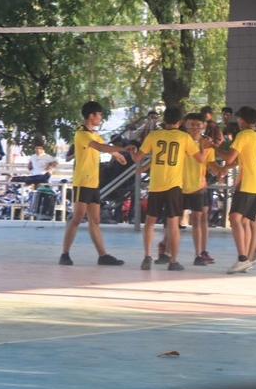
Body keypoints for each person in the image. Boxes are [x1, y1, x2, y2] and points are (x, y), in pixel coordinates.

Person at [131, 106, 206, 271]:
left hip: (156, 185)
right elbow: (200, 159)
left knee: (150, 222)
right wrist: (202, 146)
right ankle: (173, 261)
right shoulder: (184, 138)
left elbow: (137, 158)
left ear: (164, 120)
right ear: (180, 122)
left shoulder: (154, 135)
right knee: (173, 224)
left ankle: (147, 257)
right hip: (174, 187)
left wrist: (132, 150)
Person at [59, 101, 129, 267]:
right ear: (91, 116)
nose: (101, 118)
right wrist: (124, 150)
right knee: (77, 218)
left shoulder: (93, 133)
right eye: (99, 115)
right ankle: (64, 254)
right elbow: (99, 147)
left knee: (95, 220)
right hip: (82, 181)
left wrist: (118, 155)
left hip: (93, 182)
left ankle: (103, 255)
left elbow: (105, 145)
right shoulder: (82, 133)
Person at [216, 106, 256, 274]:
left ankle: (243, 258)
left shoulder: (243, 135)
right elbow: (243, 159)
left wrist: (212, 146)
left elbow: (229, 156)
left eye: (238, 119)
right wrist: (227, 168)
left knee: (235, 218)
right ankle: (248, 257)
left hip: (247, 183)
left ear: (242, 120)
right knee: (248, 220)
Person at [182, 113, 226, 266]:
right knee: (173, 219)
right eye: (191, 124)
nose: (195, 127)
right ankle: (166, 247)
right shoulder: (181, 140)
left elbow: (210, 162)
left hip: (199, 185)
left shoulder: (207, 143)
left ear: (203, 126)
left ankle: (201, 252)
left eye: (198, 125)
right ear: (186, 125)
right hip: (179, 184)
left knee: (200, 218)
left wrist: (221, 170)